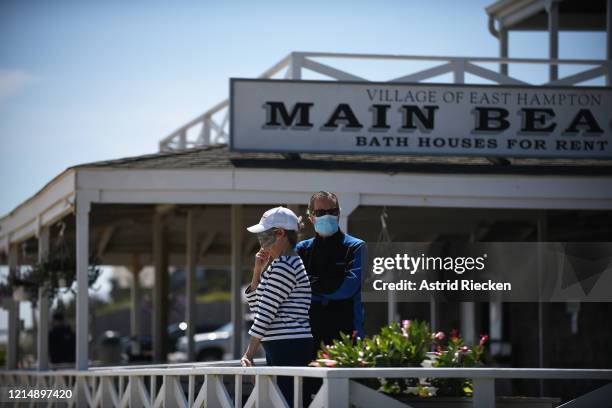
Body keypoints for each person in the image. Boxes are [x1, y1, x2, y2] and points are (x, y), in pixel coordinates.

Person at [240, 206, 313, 404]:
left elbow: (265, 313)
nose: (260, 242)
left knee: (288, 402)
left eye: (263, 235)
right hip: (282, 345)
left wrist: (248, 354)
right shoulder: (279, 264)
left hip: (289, 346)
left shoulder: (284, 265)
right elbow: (258, 308)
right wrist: (257, 271)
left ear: (280, 234)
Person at [296, 191, 366, 355]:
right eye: (320, 213)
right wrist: (330, 283)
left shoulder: (356, 246)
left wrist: (310, 284)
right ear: (311, 217)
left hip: (347, 335)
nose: (327, 216)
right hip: (308, 336)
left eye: (332, 212)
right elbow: (295, 290)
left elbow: (348, 288)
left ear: (339, 213)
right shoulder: (302, 249)